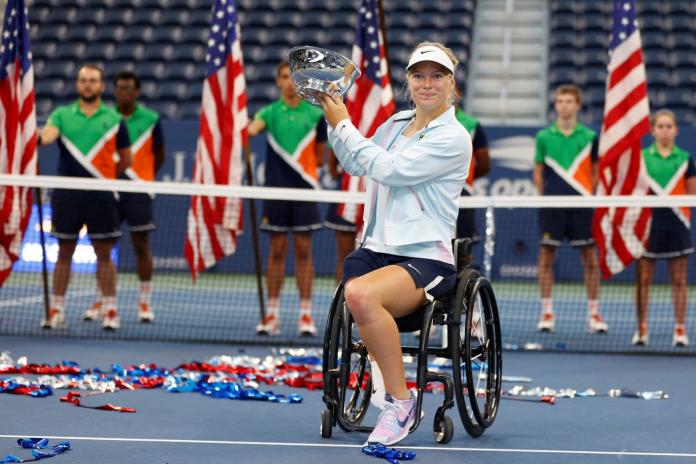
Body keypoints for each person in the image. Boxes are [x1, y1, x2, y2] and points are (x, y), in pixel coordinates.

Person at [320, 42, 471, 446]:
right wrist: (332, 119)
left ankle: (401, 403)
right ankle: (387, 378)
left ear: (451, 83)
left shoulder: (453, 137)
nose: (427, 83)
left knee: (363, 295)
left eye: (437, 76)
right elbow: (354, 161)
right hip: (374, 249)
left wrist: (344, 124)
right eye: (419, 75)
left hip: (425, 256)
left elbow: (391, 170)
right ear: (408, 81)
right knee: (357, 291)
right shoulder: (394, 125)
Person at [37, 64, 132, 330]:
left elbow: (125, 160)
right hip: (67, 195)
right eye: (83, 80)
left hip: (101, 196)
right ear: (77, 85)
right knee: (64, 252)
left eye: (92, 80)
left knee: (104, 253)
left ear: (101, 86)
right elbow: (47, 137)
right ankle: (56, 309)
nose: (87, 85)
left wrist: (103, 178)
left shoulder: (114, 120)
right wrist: (31, 137)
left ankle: (111, 309)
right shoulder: (62, 116)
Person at [247, 60, 327, 336]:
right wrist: (243, 127)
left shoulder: (315, 115)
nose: (289, 82)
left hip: (304, 192)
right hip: (275, 192)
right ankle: (271, 315)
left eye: (294, 78)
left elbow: (320, 154)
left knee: (304, 251)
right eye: (284, 77)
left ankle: (305, 315)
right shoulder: (269, 112)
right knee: (277, 251)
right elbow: (252, 130)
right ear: (278, 82)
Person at [84, 70, 165, 324]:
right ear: (114, 91)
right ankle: (102, 299)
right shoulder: (107, 118)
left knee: (141, 246)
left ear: (137, 92)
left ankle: (144, 302)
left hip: (139, 191)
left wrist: (142, 177)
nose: (124, 93)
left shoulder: (151, 119)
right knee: (104, 249)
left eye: (129, 88)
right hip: (109, 189)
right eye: (120, 88)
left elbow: (159, 154)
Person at [533, 84, 607, 334]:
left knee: (590, 261)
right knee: (545, 260)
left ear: (577, 105)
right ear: (555, 105)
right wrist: (546, 197)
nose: (564, 105)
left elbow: (596, 170)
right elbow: (538, 170)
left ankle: (594, 314)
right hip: (552, 207)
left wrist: (588, 195)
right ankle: (546, 313)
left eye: (568, 101)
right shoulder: (544, 137)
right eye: (560, 101)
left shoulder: (589, 137)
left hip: (582, 206)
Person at [634, 110, 696, 347]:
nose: (664, 131)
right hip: (648, 225)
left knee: (679, 280)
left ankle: (680, 330)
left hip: (677, 224)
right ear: (652, 131)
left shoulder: (685, 159)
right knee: (643, 279)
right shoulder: (641, 159)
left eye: (669, 126)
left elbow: (692, 195)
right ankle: (641, 330)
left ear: (676, 130)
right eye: (660, 126)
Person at [455, 108, 490, 242]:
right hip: (431, 192)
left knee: (464, 248)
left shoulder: (472, 125)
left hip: (463, 193)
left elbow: (485, 165)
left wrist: (465, 178)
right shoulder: (423, 120)